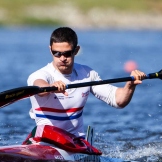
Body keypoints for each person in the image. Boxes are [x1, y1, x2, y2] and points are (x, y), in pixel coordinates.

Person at [23, 27, 146, 155]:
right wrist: (51, 87)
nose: (62, 58)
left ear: (76, 50)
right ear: (50, 50)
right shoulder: (40, 75)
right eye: (57, 53)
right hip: (44, 141)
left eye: (67, 53)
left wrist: (130, 86)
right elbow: (39, 87)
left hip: (75, 144)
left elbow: (118, 100)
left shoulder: (87, 74)